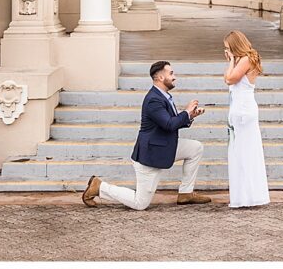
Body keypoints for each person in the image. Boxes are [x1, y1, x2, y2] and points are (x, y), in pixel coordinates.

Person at [82, 59, 211, 209]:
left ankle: (186, 193)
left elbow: (171, 123)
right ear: (160, 77)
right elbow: (169, 124)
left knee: (195, 148)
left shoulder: (163, 96)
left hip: (164, 146)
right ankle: (99, 187)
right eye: (171, 73)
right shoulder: (153, 100)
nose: (174, 77)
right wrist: (186, 111)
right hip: (151, 154)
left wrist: (190, 116)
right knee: (140, 203)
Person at [223, 30, 270, 208]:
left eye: (228, 48)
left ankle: (249, 195)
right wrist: (230, 62)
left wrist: (232, 61)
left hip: (243, 110)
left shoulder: (246, 59)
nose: (226, 51)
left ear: (235, 46)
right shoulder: (241, 60)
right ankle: (244, 195)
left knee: (244, 154)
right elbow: (227, 78)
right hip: (240, 108)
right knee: (240, 154)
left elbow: (230, 79)